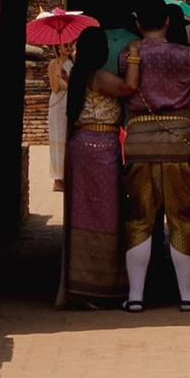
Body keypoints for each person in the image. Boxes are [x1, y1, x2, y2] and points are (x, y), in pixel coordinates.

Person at [114, 0, 190, 311]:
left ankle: (136, 297)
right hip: (180, 140)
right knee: (183, 219)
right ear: (168, 21)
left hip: (139, 143)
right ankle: (188, 297)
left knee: (139, 218)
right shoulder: (189, 55)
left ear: (138, 24)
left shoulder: (126, 56)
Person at [57, 22, 128, 307]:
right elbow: (129, 87)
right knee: (106, 218)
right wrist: (134, 57)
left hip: (80, 148)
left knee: (82, 217)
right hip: (101, 149)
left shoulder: (77, 77)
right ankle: (100, 288)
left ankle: (81, 287)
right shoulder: (99, 77)